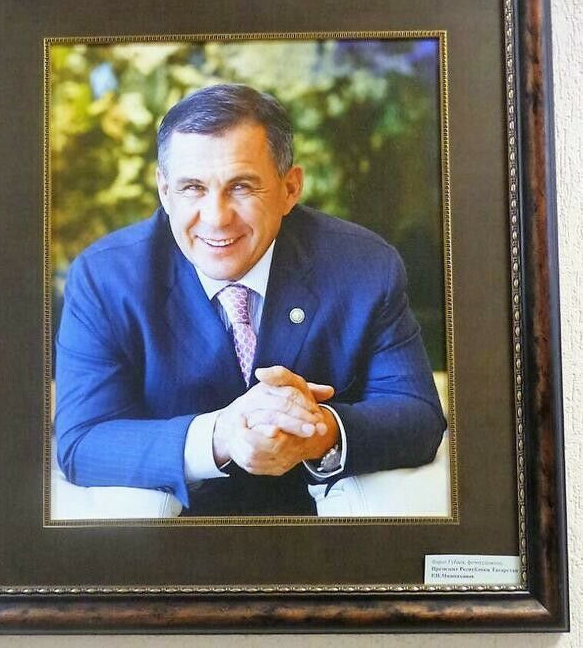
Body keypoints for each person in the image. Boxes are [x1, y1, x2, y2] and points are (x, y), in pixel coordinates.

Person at [54, 83, 446, 516]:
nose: (216, 217)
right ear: (164, 191)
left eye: (241, 186)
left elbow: (418, 416)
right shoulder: (106, 278)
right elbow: (82, 440)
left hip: (319, 534)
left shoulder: (364, 265)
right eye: (192, 188)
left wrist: (320, 431)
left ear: (289, 189)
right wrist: (222, 434)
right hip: (174, 538)